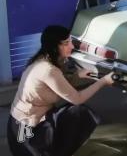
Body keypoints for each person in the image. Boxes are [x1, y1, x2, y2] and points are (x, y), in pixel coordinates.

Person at [7, 25, 114, 156]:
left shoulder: (43, 59)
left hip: (23, 125)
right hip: (28, 135)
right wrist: (104, 82)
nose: (72, 46)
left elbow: (59, 85)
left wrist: (77, 76)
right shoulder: (48, 69)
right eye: (66, 43)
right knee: (79, 112)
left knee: (70, 113)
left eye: (70, 41)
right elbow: (77, 98)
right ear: (54, 46)